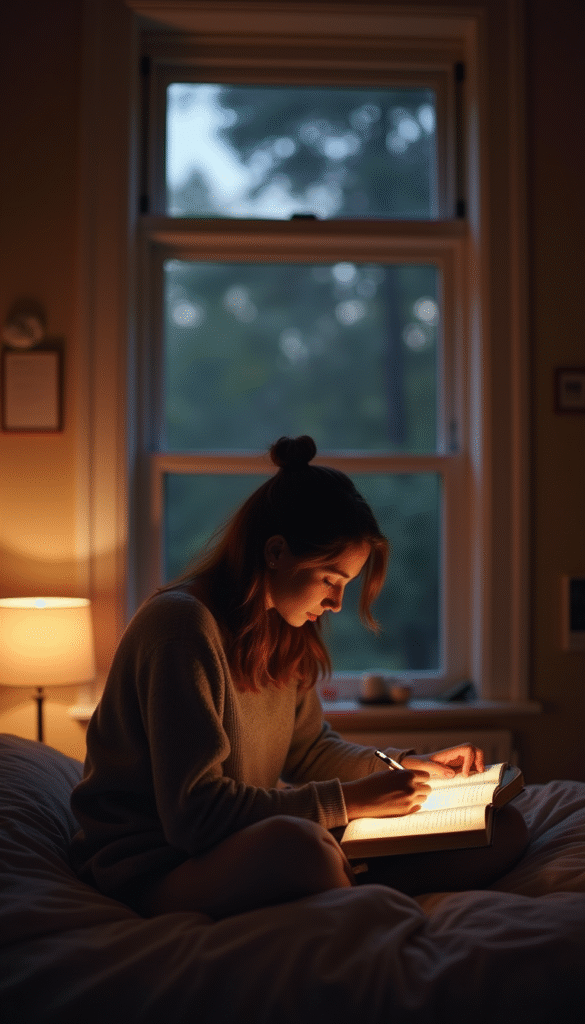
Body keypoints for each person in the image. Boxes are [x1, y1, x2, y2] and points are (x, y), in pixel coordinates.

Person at [70, 435, 527, 919]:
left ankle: (344, 883)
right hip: (158, 864)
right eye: (330, 579)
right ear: (275, 552)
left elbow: (308, 751)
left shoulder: (284, 629)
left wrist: (404, 766)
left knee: (502, 829)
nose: (337, 603)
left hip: (231, 845)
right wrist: (349, 802)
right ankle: (349, 890)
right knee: (301, 847)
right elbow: (196, 816)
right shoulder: (181, 626)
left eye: (345, 584)